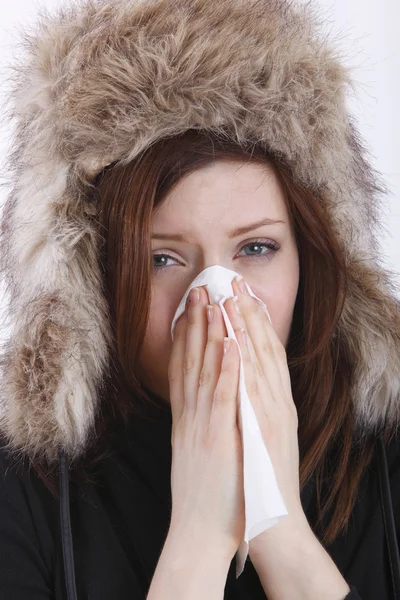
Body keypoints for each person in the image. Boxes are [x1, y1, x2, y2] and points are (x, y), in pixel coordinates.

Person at [0, 0, 399, 598]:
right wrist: (198, 539)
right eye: (162, 260)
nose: (215, 302)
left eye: (256, 249)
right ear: (93, 281)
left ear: (310, 259)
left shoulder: (384, 459)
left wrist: (282, 530)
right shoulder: (22, 485)